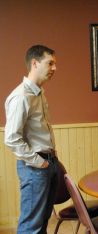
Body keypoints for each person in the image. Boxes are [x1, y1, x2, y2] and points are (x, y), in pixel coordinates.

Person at [4, 45, 59, 233]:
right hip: (35, 168)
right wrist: (40, 163)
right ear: (35, 63)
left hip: (48, 163)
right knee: (31, 227)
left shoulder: (39, 92)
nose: (54, 68)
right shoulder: (21, 96)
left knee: (42, 223)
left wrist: (51, 161)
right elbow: (11, 139)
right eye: (50, 63)